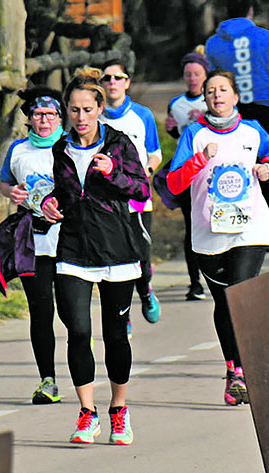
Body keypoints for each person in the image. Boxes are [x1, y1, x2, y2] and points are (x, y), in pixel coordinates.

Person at [40, 67, 150, 444]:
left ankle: (119, 409)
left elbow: (141, 190)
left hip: (117, 250)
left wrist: (114, 172)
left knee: (115, 336)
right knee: (78, 331)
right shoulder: (61, 148)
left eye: (87, 109)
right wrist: (50, 203)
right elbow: (63, 192)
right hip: (73, 249)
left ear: (100, 109)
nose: (81, 117)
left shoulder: (119, 144)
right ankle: (87, 413)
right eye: (74, 110)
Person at [167, 69, 269, 405]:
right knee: (224, 302)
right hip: (209, 234)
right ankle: (233, 367)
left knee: (239, 295)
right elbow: (175, 183)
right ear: (205, 98)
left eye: (223, 90)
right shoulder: (195, 134)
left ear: (235, 96)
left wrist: (268, 168)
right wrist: (201, 159)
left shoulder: (253, 130)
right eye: (211, 91)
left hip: (250, 229)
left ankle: (244, 371)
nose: (217, 95)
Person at [0, 87, 65, 405]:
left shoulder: (71, 146)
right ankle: (47, 380)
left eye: (51, 115)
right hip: (33, 240)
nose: (44, 121)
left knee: (71, 312)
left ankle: (83, 356)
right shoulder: (18, 150)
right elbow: (5, 182)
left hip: (68, 240)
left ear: (60, 118)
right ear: (29, 119)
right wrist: (10, 192)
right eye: (38, 115)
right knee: (41, 312)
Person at [206, 0, 269, 207]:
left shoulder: (213, 43)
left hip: (230, 115)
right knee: (266, 168)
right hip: (264, 113)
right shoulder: (266, 37)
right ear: (251, 10)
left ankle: (235, 215)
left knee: (232, 170)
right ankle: (261, 217)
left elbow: (210, 83)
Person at [100, 61, 162, 326]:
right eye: (107, 78)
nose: (112, 82)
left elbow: (155, 153)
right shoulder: (95, 117)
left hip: (137, 199)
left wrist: (146, 171)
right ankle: (122, 316)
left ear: (127, 82)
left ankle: (145, 291)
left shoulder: (142, 115)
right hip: (107, 201)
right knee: (116, 259)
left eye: (118, 77)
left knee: (141, 256)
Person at [166, 50, 210, 301]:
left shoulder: (213, 98)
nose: (192, 79)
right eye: (188, 74)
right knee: (192, 226)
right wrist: (171, 131)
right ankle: (195, 282)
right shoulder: (176, 104)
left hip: (211, 171)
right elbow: (178, 134)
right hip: (186, 172)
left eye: (197, 74)